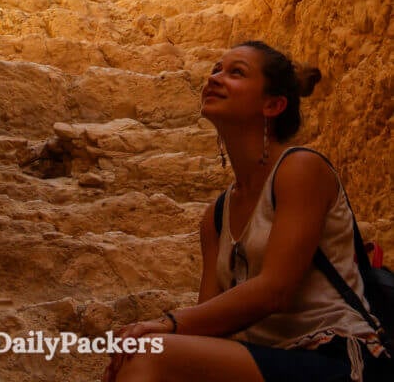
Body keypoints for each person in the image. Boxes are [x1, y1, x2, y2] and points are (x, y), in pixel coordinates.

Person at [103, 40, 391, 382]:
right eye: (215, 70)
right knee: (138, 356)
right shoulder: (216, 216)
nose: (215, 78)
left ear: (273, 104)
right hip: (262, 361)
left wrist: (167, 325)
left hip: (337, 356)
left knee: (149, 356)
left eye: (235, 73)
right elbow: (207, 324)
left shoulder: (300, 169)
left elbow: (275, 291)